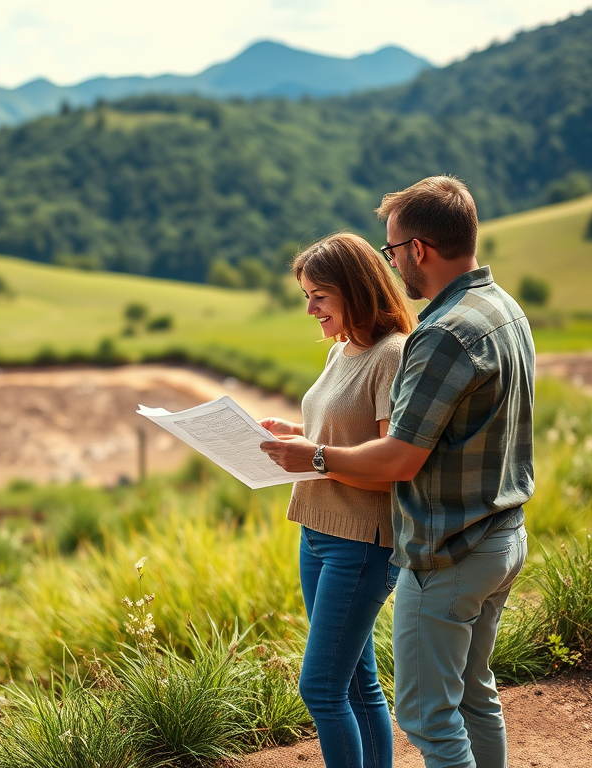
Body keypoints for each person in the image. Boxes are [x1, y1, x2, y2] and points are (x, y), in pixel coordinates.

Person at [261, 175, 534, 768]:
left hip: (450, 545)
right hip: (501, 531)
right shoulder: (503, 310)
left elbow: (399, 458)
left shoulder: (439, 335)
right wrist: (310, 443)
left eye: (391, 249)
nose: (392, 263)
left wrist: (313, 457)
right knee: (470, 698)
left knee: (429, 717)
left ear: (418, 250)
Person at [259, 232, 414, 768]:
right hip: (318, 532)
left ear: (354, 289)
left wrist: (315, 456)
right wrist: (296, 431)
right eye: (306, 295)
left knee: (321, 689)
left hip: (362, 544)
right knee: (354, 681)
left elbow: (393, 469)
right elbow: (347, 433)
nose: (309, 309)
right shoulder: (342, 348)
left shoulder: (391, 355)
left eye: (319, 296)